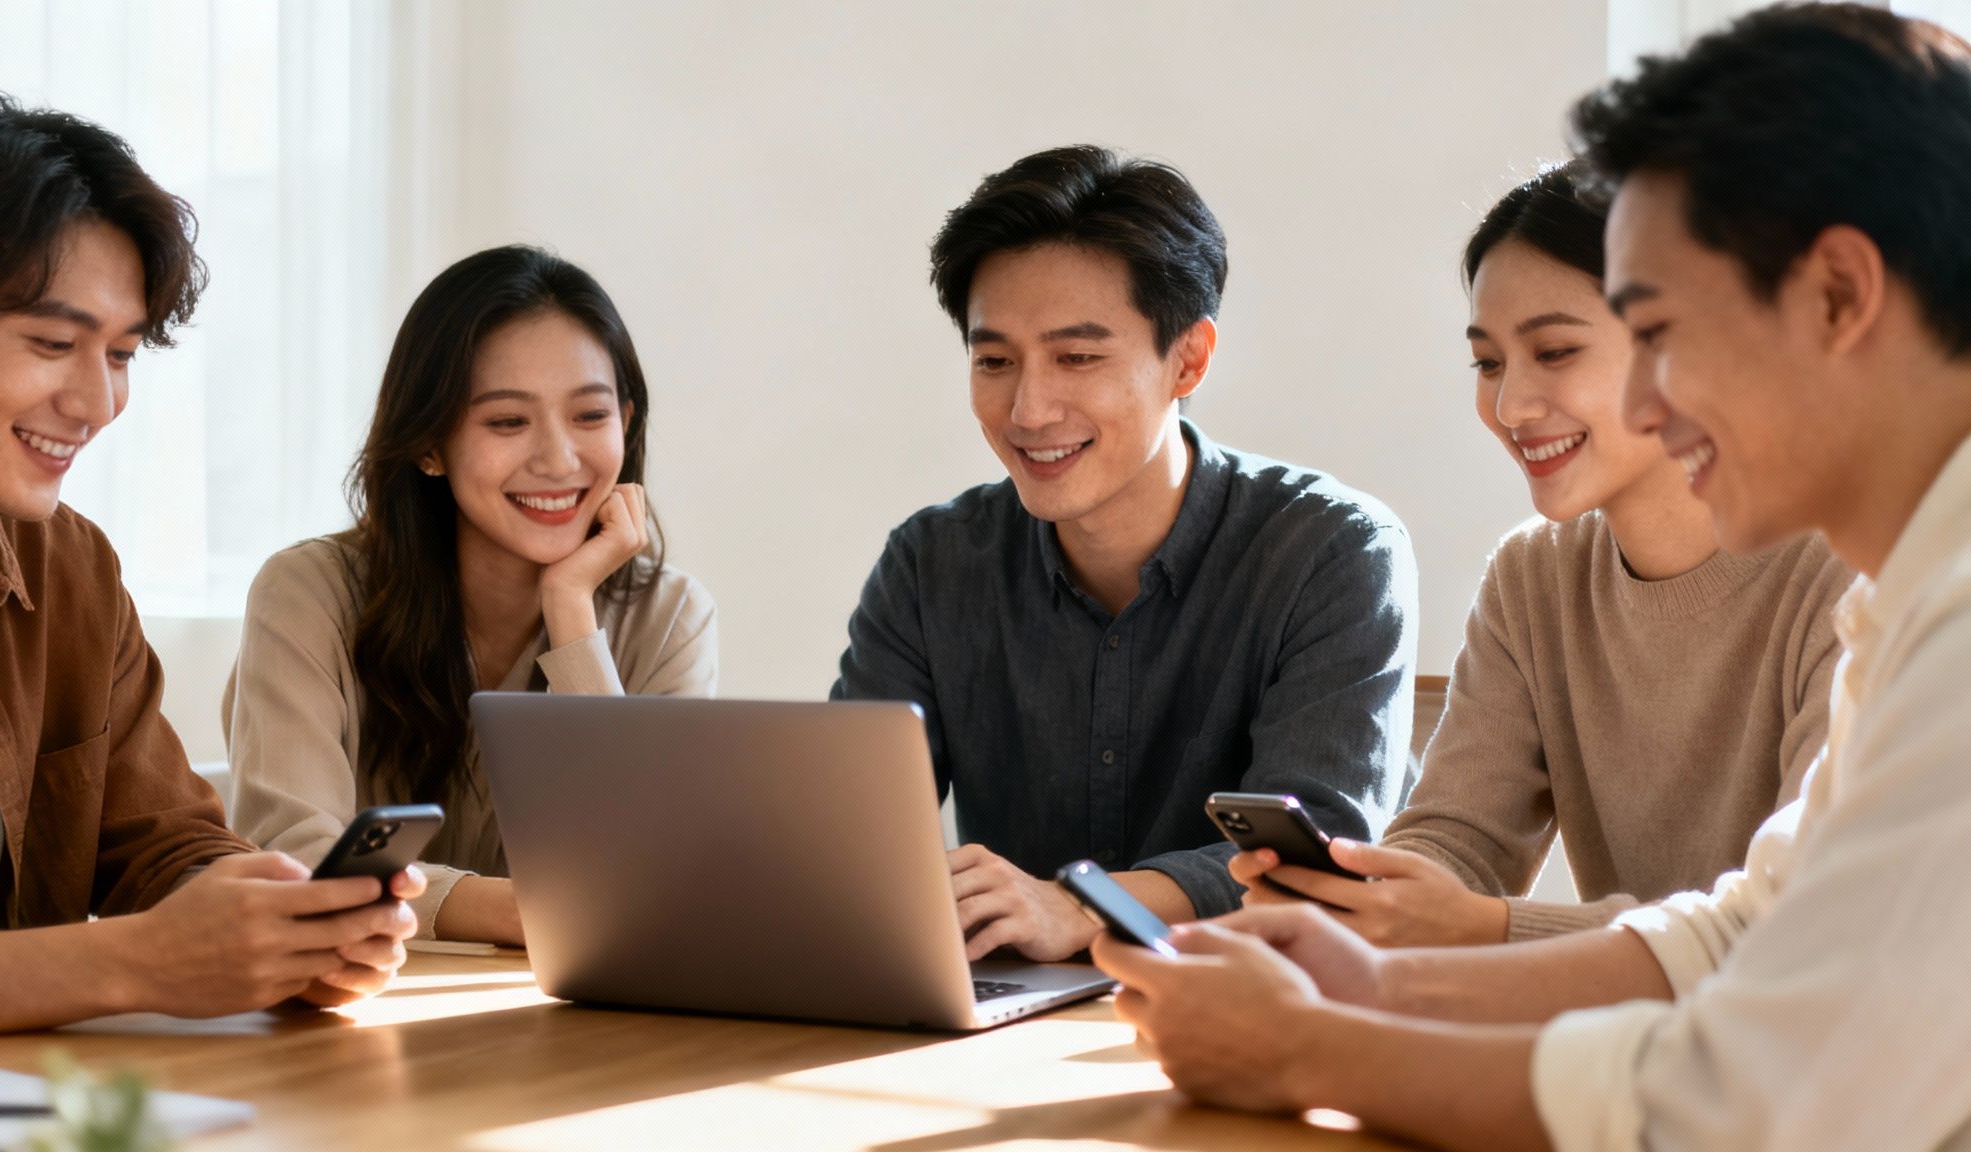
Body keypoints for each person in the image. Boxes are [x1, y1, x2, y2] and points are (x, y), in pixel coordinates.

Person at [1092, 6, 1971, 1148]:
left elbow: (1751, 1096)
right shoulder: (1901, 591)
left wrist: (1305, 1046)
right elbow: (1745, 931)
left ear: (1838, 295)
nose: (1647, 406)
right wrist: (1368, 985)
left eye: (1658, 333)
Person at [1232, 164, 1852, 946]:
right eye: (1488, 363)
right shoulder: (1535, 576)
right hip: (1632, 1041)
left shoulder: (1851, 572)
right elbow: (1460, 839)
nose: (1510, 406)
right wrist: (1367, 900)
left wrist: (1489, 928)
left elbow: (1800, 923)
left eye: (1555, 352)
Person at [832, 145, 1417, 963]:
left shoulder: (1330, 551)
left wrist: (1080, 905)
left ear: (1189, 359)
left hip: (1258, 1009)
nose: (1028, 409)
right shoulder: (934, 562)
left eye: (1078, 358)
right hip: (1005, 1023)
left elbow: (1318, 857)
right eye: (995, 360)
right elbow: (846, 835)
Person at [0, 91, 420, 1038]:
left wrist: (271, 921)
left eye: (121, 353)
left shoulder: (70, 573)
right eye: (53, 344)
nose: (97, 400)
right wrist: (141, 961)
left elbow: (161, 840)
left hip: (6, 1104)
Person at [227, 245, 718, 947]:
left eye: (589, 416)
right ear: (428, 443)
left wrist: (571, 609)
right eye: (507, 422)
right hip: (359, 1016)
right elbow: (299, 861)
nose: (558, 459)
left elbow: (646, 879)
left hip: (582, 1027)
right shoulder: (308, 594)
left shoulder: (669, 619)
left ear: (628, 421)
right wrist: (516, 911)